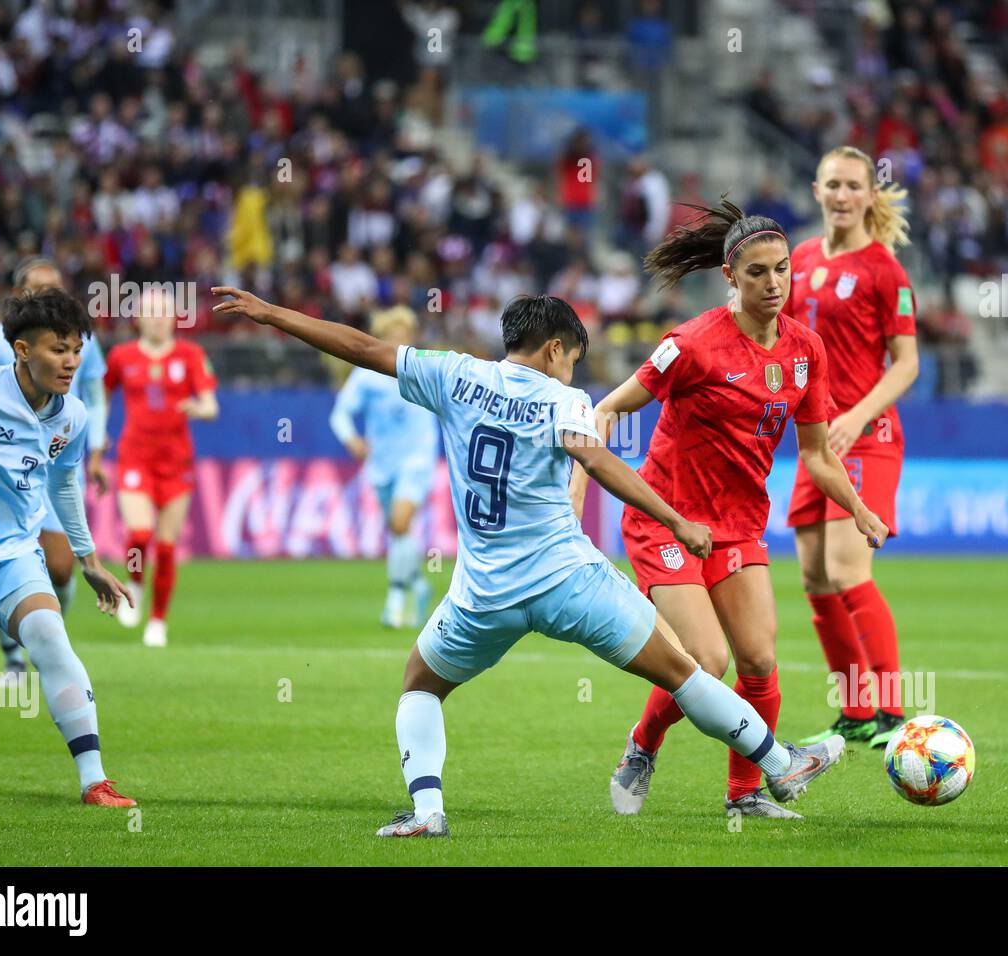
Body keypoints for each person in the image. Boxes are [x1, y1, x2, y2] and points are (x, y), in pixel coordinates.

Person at [211, 286, 846, 837]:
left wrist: (274, 314)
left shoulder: (452, 374)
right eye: (573, 358)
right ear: (554, 350)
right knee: (685, 669)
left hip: (482, 594)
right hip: (569, 581)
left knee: (419, 687)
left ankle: (427, 812)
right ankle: (779, 763)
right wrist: (677, 519)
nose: (572, 371)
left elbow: (360, 348)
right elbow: (595, 459)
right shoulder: (560, 399)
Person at [569, 199, 888, 818]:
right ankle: (643, 744)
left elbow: (818, 455)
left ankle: (743, 795)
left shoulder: (806, 352)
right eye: (758, 273)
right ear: (729, 277)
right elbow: (608, 409)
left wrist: (859, 507)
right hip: (667, 517)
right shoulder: (690, 345)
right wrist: (580, 484)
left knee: (759, 661)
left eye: (782, 270)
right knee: (706, 661)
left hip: (738, 526)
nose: (774, 285)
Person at [0, 289, 136, 806]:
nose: (71, 362)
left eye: (76, 350)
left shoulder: (71, 417)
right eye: (57, 350)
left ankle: (94, 780)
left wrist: (89, 560)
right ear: (22, 350)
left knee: (50, 634)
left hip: (12, 555)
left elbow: (65, 486)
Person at [786, 146, 919, 749]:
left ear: (870, 195)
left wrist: (859, 416)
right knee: (814, 577)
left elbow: (907, 364)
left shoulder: (884, 270)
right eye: (832, 184)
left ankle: (891, 709)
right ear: (817, 190)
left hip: (867, 439)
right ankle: (857, 710)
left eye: (852, 186)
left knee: (846, 568)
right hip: (816, 441)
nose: (841, 195)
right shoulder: (802, 259)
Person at [0, 257, 108, 682]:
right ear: (20, 294)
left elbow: (95, 396)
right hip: (6, 469)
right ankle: (13, 660)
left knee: (61, 568)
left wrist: (95, 450)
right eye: (38, 289)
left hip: (56, 465)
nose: (48, 296)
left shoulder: (85, 340)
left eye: (55, 288)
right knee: (1, 558)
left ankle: (46, 636)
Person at [103, 288, 218, 647]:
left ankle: (157, 621)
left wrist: (198, 409)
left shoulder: (191, 354)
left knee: (167, 546)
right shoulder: (122, 356)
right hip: (135, 457)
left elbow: (211, 406)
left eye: (163, 311)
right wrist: (97, 434)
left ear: (174, 317)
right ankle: (135, 581)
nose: (157, 317)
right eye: (150, 311)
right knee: (140, 533)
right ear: (138, 317)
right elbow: (100, 396)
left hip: (176, 461)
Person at [328, 306, 440, 627]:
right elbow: (340, 414)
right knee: (397, 530)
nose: (401, 341)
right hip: (382, 464)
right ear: (383, 337)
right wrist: (352, 440)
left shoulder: (424, 368)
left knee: (401, 522)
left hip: (417, 458)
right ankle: (418, 585)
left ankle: (395, 600)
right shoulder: (367, 376)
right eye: (394, 335)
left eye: (405, 335)